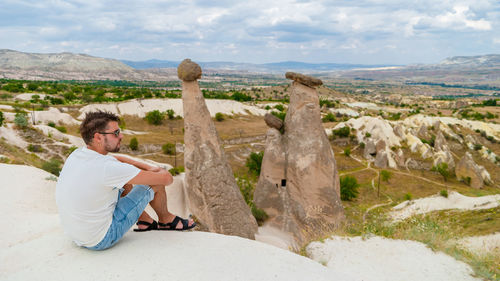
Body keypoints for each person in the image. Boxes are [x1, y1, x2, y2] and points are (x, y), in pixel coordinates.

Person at [56, 110, 195, 250]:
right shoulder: (107, 168)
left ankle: (145, 221)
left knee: (124, 180)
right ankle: (166, 220)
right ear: (98, 137)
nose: (121, 136)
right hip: (101, 239)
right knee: (155, 183)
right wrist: (154, 169)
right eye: (116, 133)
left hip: (78, 235)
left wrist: (146, 166)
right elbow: (166, 179)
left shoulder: (78, 154)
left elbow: (117, 159)